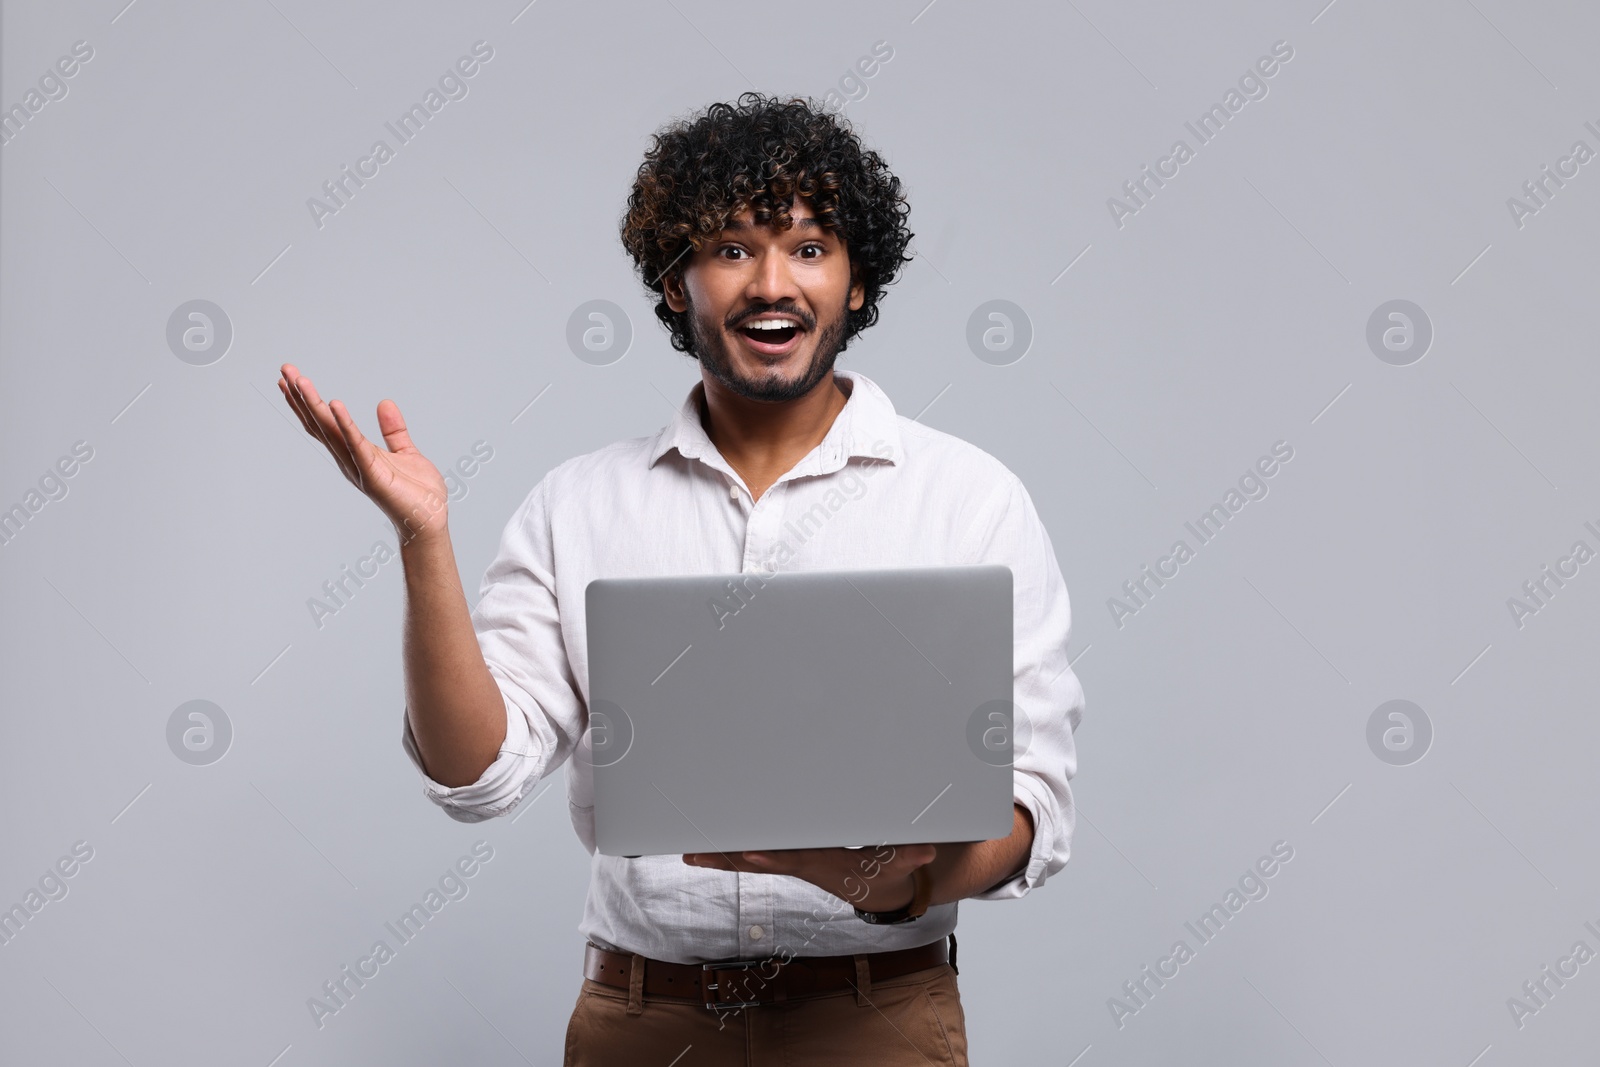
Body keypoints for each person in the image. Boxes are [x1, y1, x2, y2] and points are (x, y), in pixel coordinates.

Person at [278, 92, 1084, 1066]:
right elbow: (474, 776)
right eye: (732, 249)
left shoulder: (969, 497)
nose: (771, 283)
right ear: (675, 285)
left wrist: (892, 880)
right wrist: (422, 540)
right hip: (643, 1022)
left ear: (859, 282)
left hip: (876, 1015)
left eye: (810, 247)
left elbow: (1032, 803)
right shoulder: (578, 505)